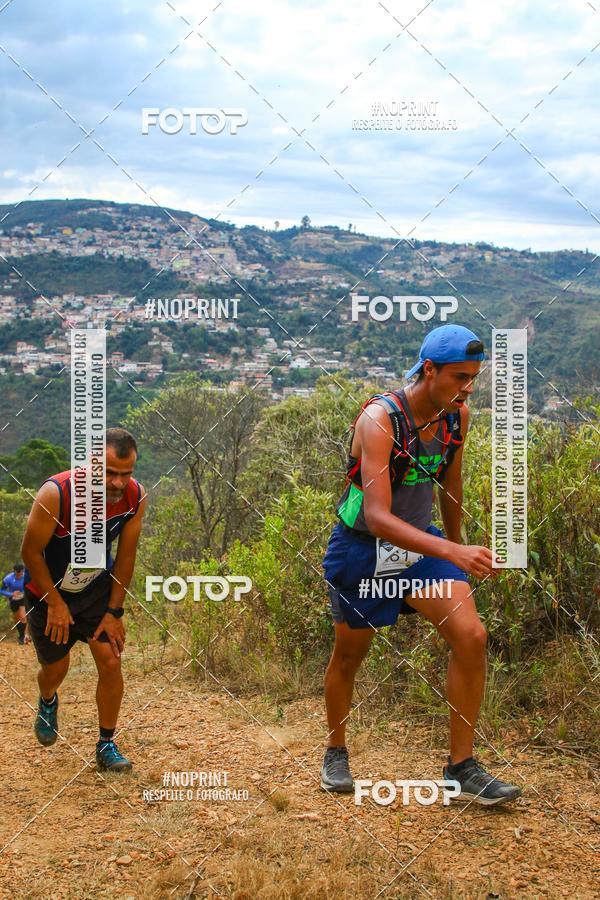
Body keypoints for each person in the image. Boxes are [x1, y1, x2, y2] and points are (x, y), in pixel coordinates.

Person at [321, 324, 521, 806]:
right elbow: (377, 517)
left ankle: (461, 767)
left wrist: (456, 547)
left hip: (421, 548)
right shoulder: (380, 420)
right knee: (349, 656)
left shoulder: (456, 418)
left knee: (471, 636)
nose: (467, 388)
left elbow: (450, 485)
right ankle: (335, 750)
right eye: (459, 377)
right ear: (428, 370)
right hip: (362, 548)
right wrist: (453, 553)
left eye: (473, 378)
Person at [21, 427, 146, 773]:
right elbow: (30, 553)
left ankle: (106, 744)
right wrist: (56, 604)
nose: (118, 483)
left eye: (126, 474)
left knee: (110, 661)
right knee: (55, 669)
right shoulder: (56, 494)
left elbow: (126, 559)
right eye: (110, 473)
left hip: (95, 589)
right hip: (47, 591)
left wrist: (114, 611)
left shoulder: (135, 497)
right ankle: (48, 699)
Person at [1, 563, 29, 644]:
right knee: (17, 619)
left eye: (21, 573)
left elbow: (30, 588)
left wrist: (23, 593)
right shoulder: (8, 578)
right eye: (17, 573)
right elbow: (1, 590)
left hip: (23, 599)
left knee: (23, 617)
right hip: (13, 600)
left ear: (23, 571)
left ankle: (25, 636)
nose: (19, 575)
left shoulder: (26, 577)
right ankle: (21, 636)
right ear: (14, 571)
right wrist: (11, 594)